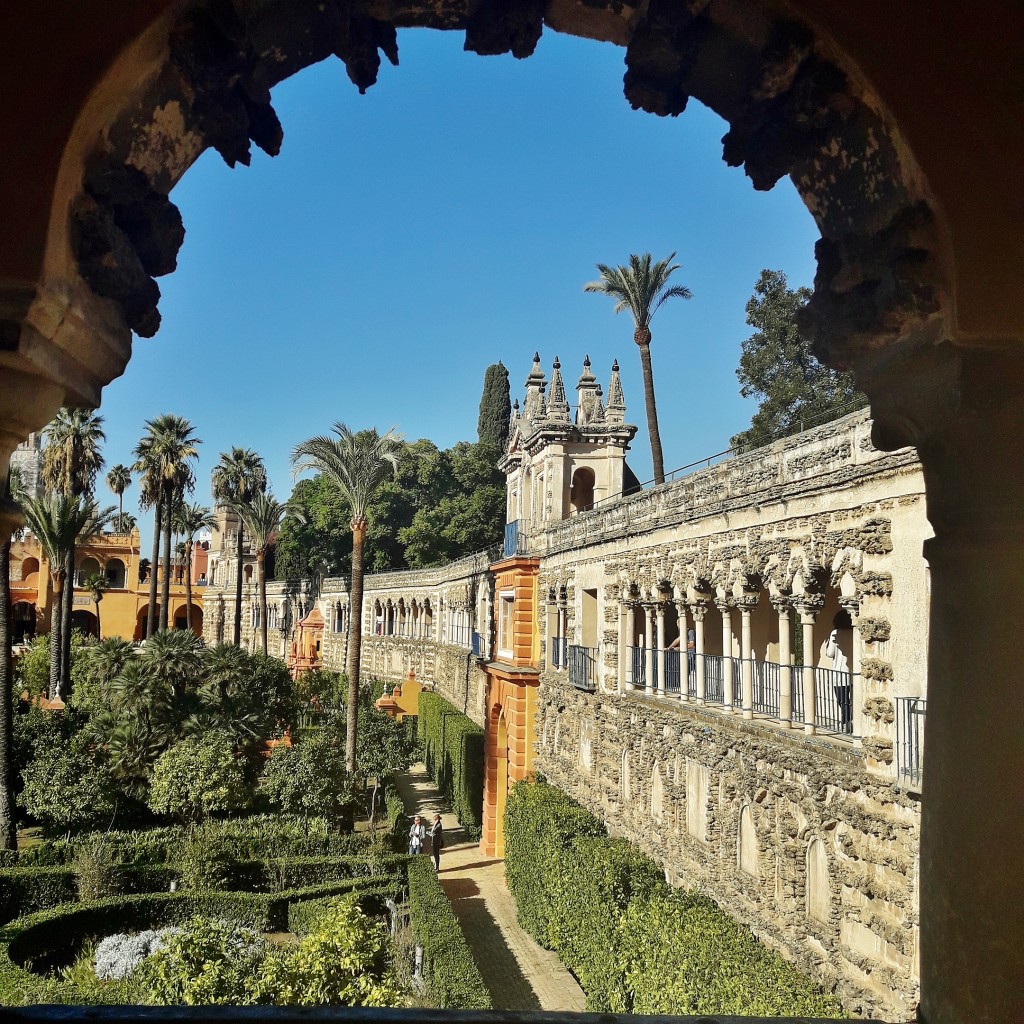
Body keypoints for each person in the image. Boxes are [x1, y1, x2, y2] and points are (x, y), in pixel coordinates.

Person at [824, 628, 853, 731]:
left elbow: (829, 653)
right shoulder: (853, 631)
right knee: (850, 699)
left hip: (840, 672)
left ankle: (846, 722)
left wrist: (827, 644)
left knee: (842, 700)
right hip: (853, 672)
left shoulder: (835, 633)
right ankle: (848, 721)